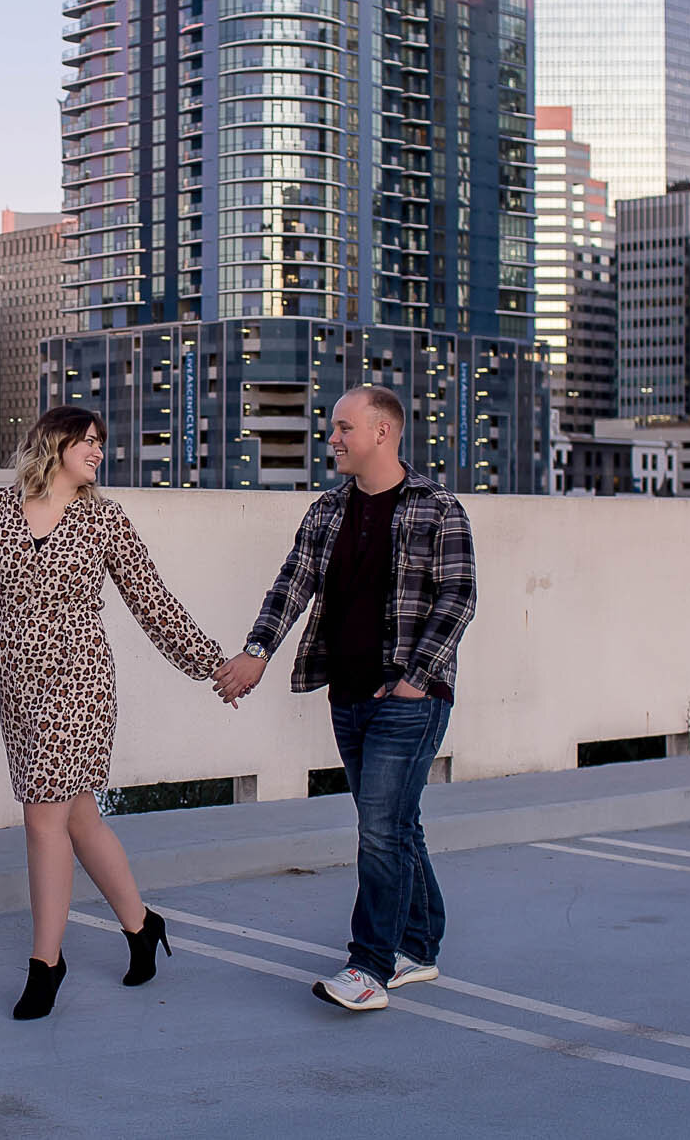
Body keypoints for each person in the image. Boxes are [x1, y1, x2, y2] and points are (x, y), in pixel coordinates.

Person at [0, 405, 227, 1020]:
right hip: (21, 691)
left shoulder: (104, 519)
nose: (98, 451)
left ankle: (46, 966)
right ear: (54, 444)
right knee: (79, 820)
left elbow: (150, 600)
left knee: (44, 820)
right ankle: (142, 926)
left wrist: (211, 664)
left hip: (81, 689)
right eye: (88, 441)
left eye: (102, 442)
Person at [213, 385, 476, 1013]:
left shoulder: (438, 508)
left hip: (411, 697)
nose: (332, 439)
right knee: (395, 824)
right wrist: (256, 651)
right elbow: (291, 585)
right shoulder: (327, 512)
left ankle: (369, 967)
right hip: (349, 693)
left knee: (379, 830)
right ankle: (421, 945)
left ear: (382, 432)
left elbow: (458, 598)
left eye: (343, 428)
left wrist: (416, 677)